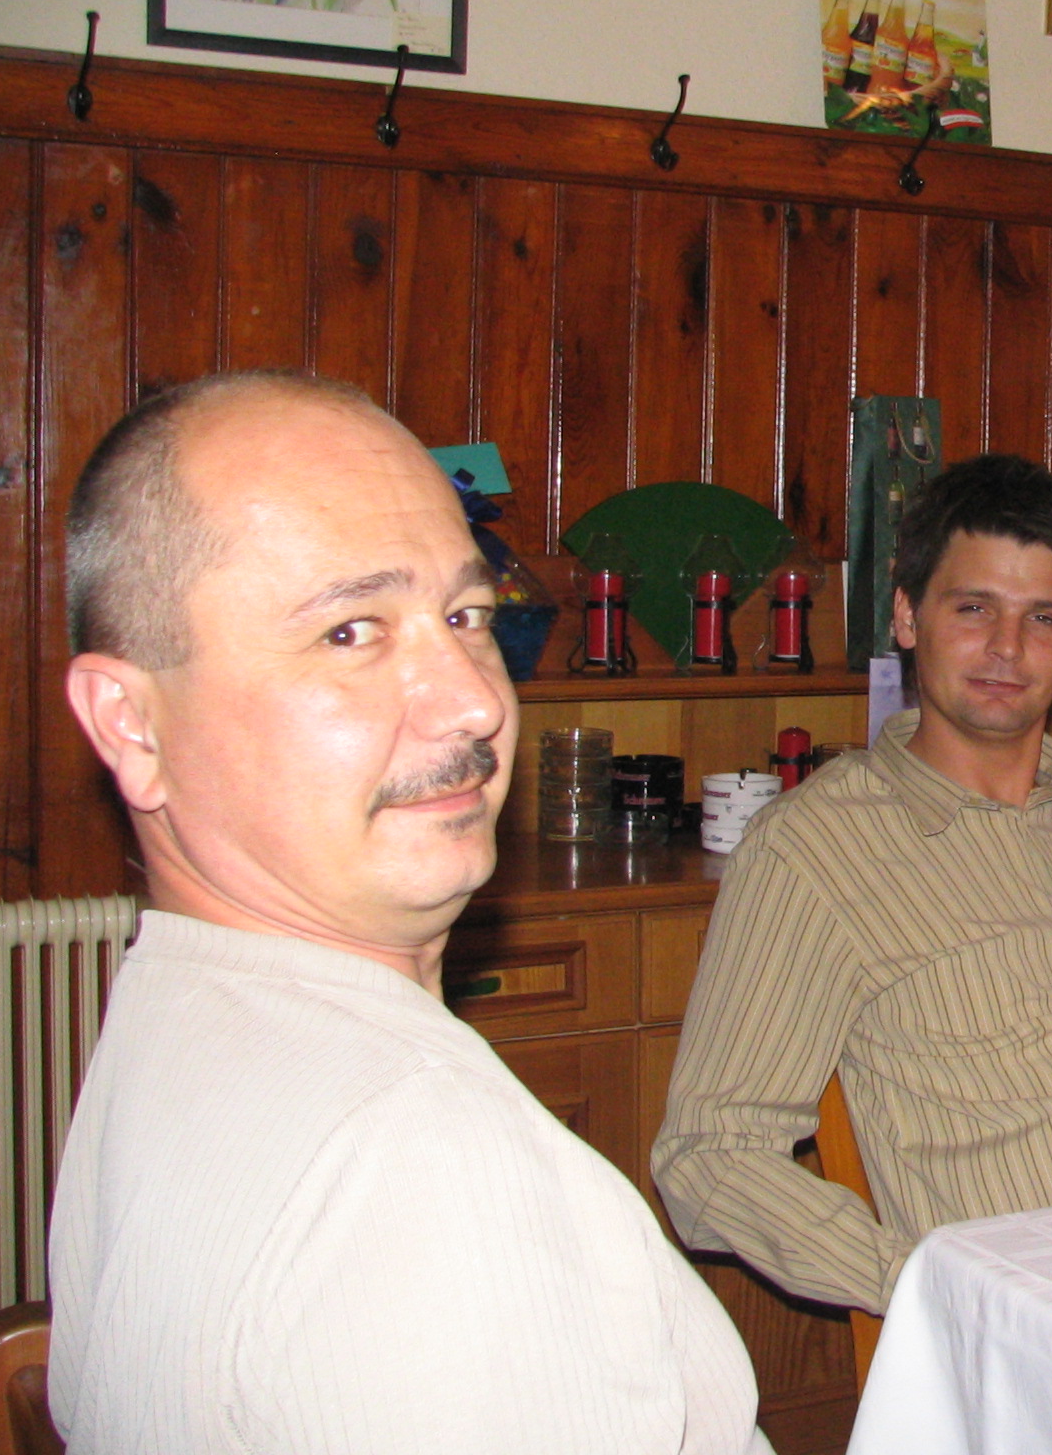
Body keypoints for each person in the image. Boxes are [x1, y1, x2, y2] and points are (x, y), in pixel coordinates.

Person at [52, 371, 770, 1454]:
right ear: (130, 723)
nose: (476, 701)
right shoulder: (419, 1166)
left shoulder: (178, 1003)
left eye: (466, 616)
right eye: (351, 631)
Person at [652, 454, 1052, 1315]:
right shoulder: (816, 849)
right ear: (907, 616)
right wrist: (930, 1291)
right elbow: (709, 1156)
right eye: (974, 608)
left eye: (1043, 618)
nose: (1008, 649)